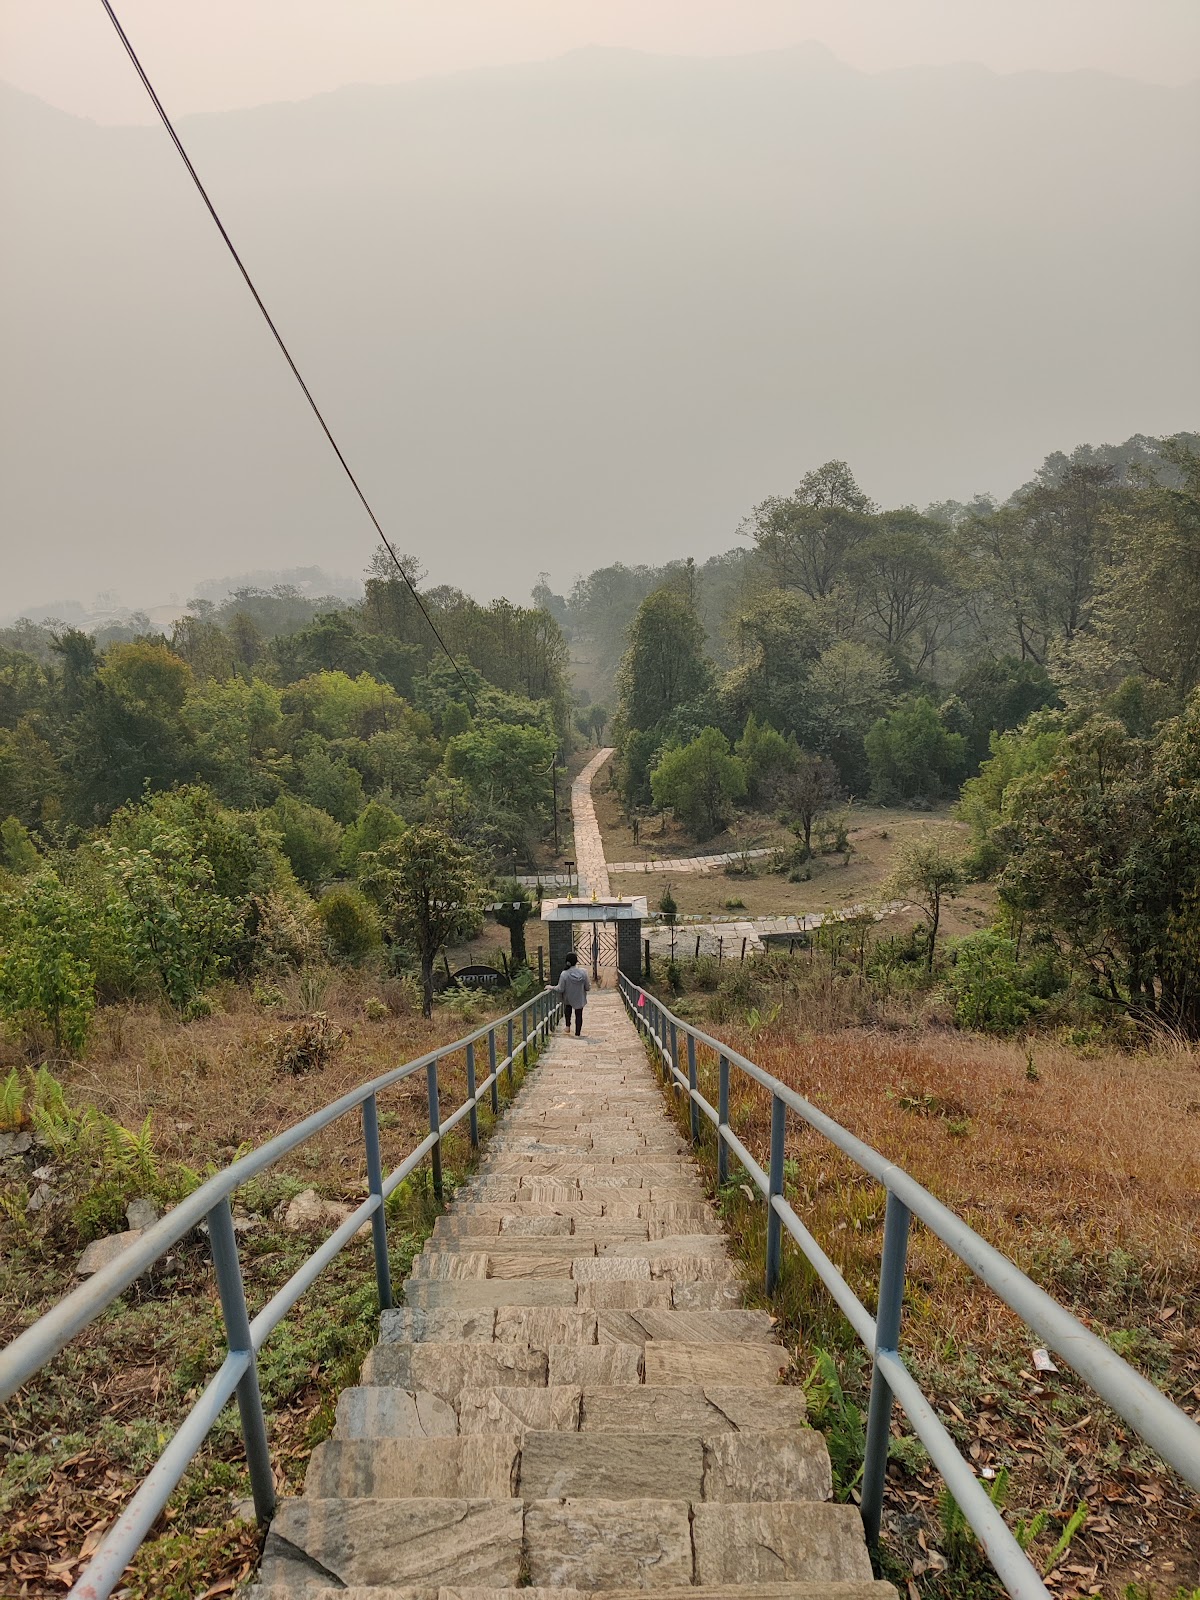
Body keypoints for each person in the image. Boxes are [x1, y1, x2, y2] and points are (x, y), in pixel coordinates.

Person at [549, 950, 590, 1035]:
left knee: (568, 1009)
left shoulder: (564, 974)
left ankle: (567, 1026)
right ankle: (578, 1033)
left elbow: (560, 988)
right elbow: (587, 987)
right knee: (579, 1015)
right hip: (580, 998)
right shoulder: (583, 972)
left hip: (568, 998)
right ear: (576, 961)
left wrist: (551, 987)